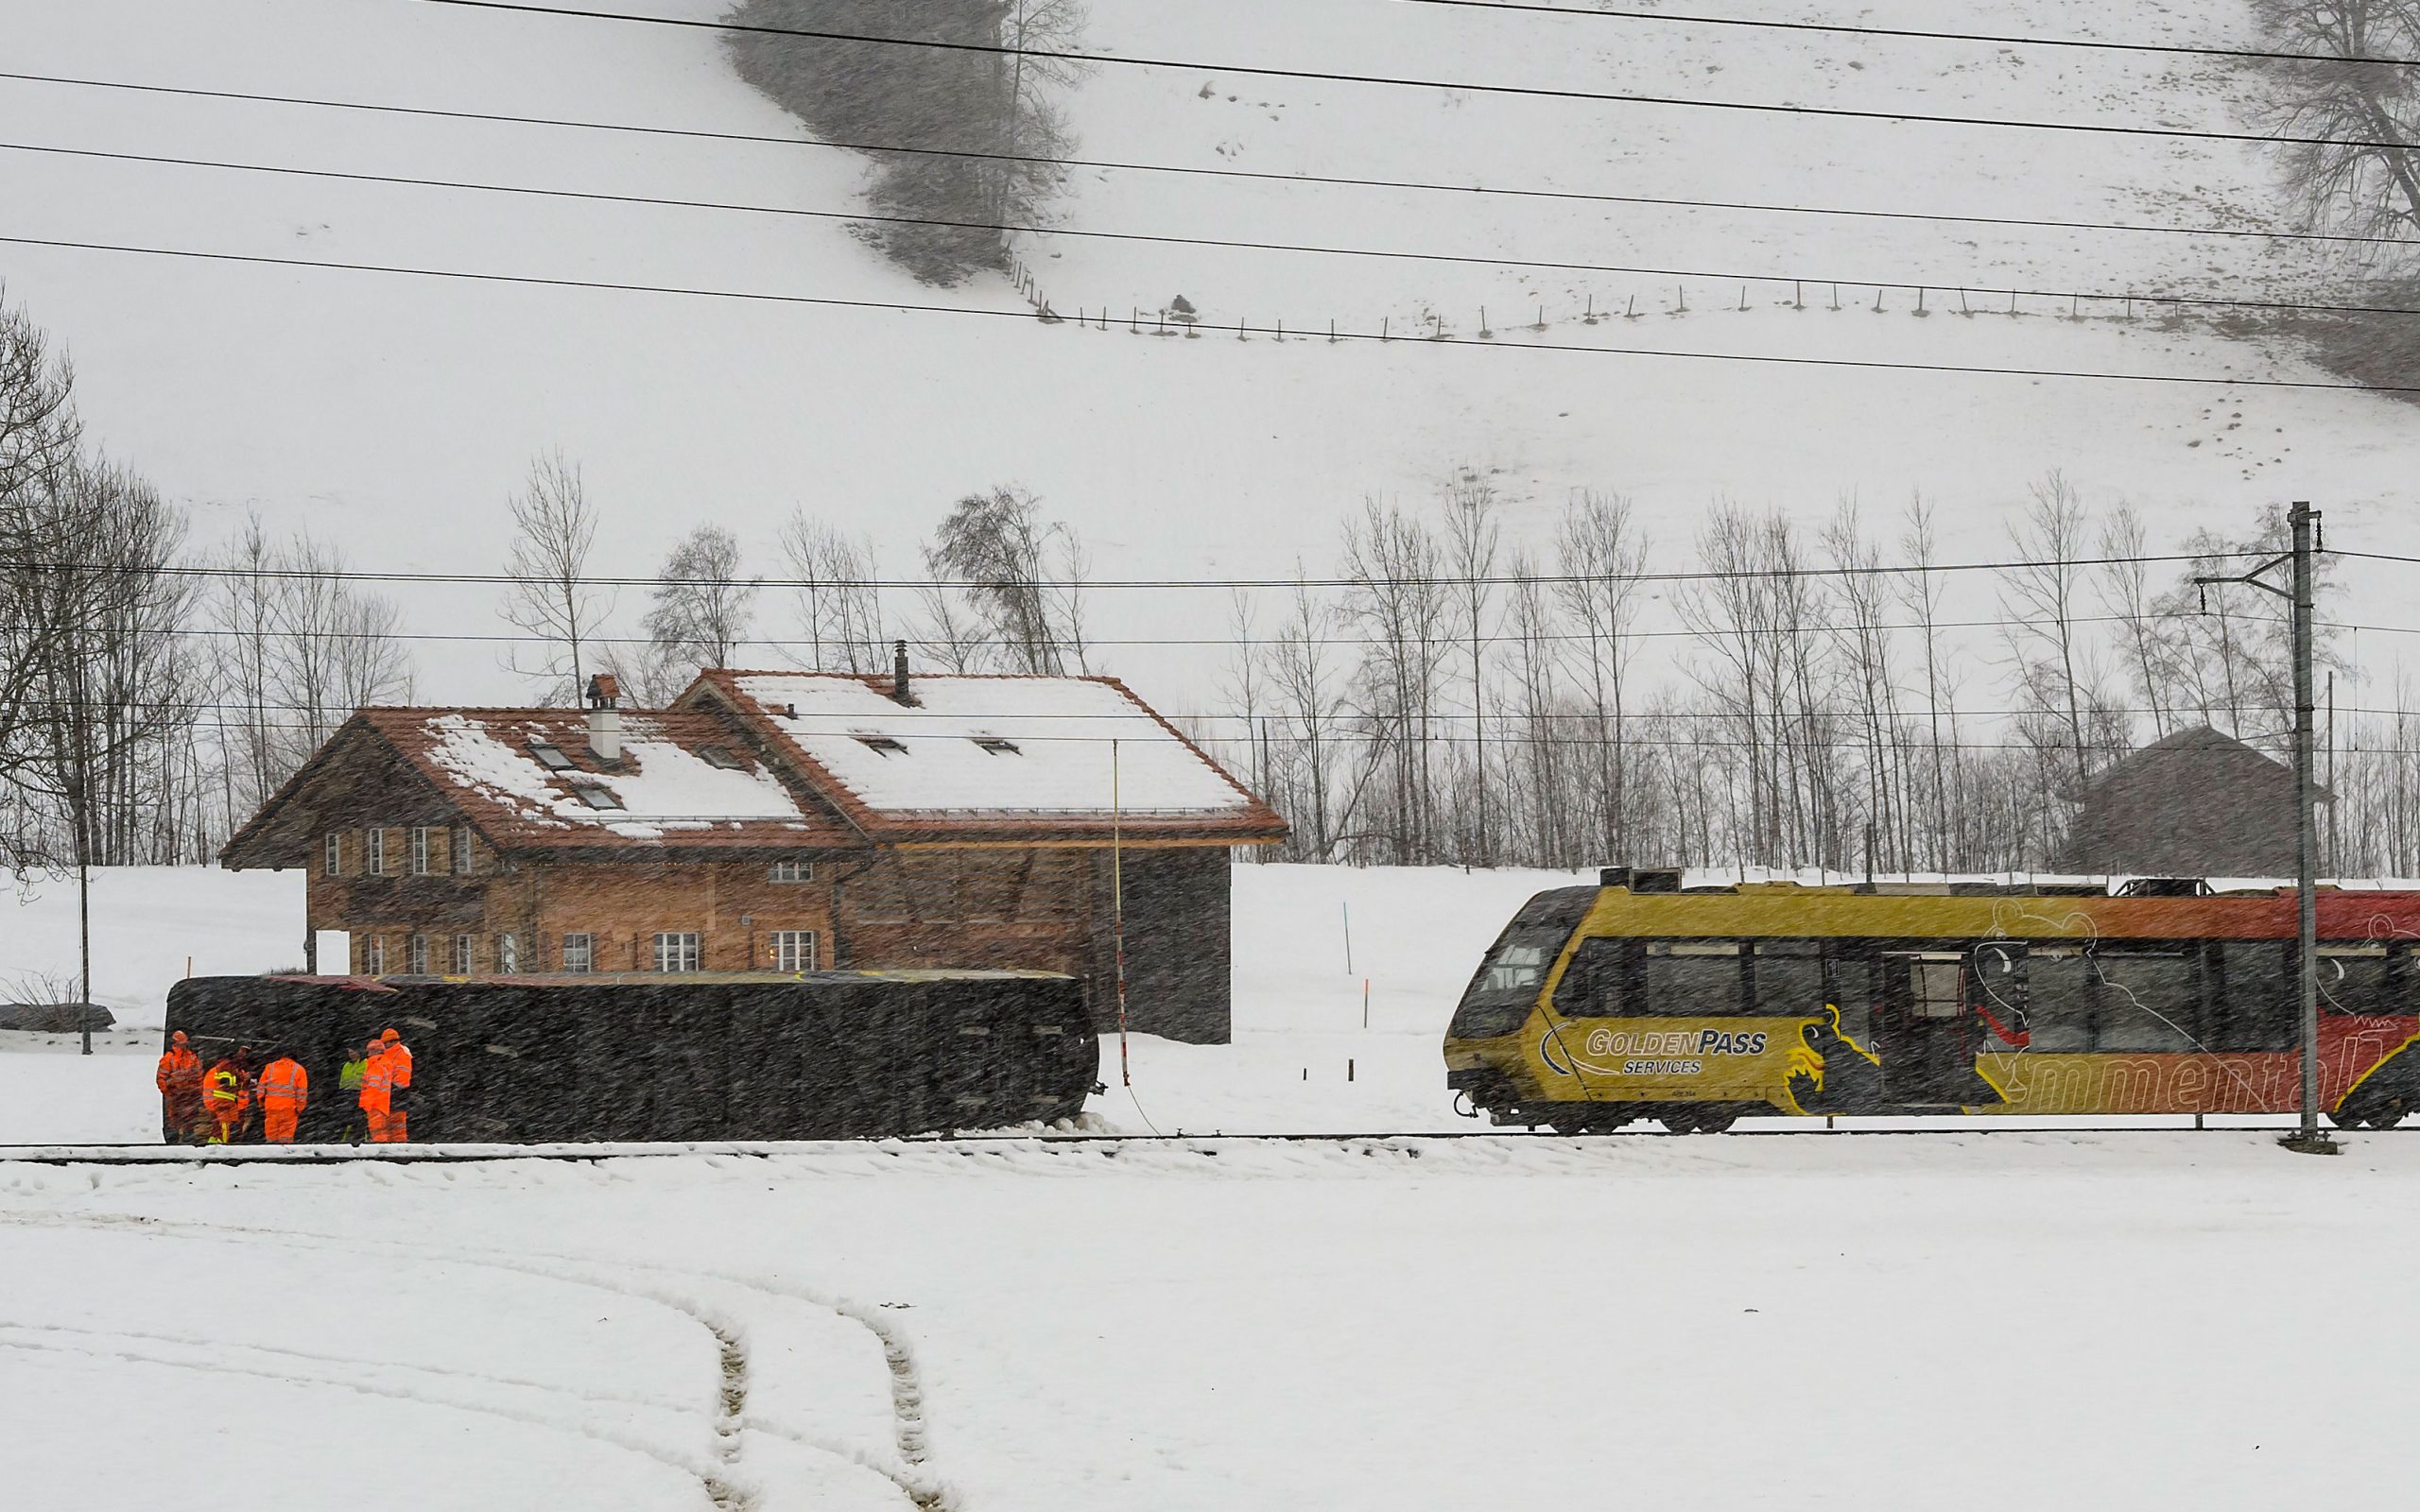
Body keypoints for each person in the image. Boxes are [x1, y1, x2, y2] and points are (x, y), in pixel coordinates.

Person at [155, 1030, 202, 1144]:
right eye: (182, 1043)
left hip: (189, 1095)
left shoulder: (192, 1057)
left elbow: (198, 1075)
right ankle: (173, 1142)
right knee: (173, 1121)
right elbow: (161, 1079)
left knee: (189, 1120)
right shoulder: (168, 1058)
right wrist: (168, 1092)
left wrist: (196, 1090)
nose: (184, 1045)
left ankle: (187, 1141)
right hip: (175, 1094)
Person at [256, 1048, 309, 1144]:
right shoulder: (299, 1069)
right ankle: (284, 1155)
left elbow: (261, 1087)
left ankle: (271, 1154)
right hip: (289, 1108)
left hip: (271, 1107)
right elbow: (302, 1092)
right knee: (286, 1137)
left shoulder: (270, 1067)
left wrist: (261, 1104)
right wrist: (300, 1108)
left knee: (271, 1135)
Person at [201, 1050, 249, 1144]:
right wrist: (239, 1082)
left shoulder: (234, 1069)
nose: (243, 1056)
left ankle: (216, 1145)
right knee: (224, 1127)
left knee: (223, 1128)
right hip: (224, 1102)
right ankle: (223, 1147)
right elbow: (226, 1084)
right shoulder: (226, 1067)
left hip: (230, 1103)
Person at [379, 1026, 415, 1143]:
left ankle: (397, 1151)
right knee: (393, 1127)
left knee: (395, 1127)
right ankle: (396, 1150)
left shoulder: (399, 1054)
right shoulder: (395, 1053)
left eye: (385, 1043)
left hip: (395, 1094)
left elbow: (401, 1079)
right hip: (393, 1094)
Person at [357, 1035, 394, 1144]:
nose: (368, 1054)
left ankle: (380, 1153)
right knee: (380, 1131)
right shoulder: (384, 1064)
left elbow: (373, 1087)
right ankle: (382, 1151)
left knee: (377, 1131)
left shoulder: (376, 1065)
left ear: (375, 1051)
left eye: (370, 1051)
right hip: (381, 1103)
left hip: (375, 1104)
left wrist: (366, 1103)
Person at [338, 1040, 369, 1143]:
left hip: (361, 1094)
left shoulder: (366, 1063)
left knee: (360, 1120)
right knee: (347, 1120)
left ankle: (361, 1140)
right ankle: (345, 1140)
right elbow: (342, 1081)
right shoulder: (346, 1065)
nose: (351, 1055)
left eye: (353, 1052)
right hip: (347, 1094)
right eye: (350, 1053)